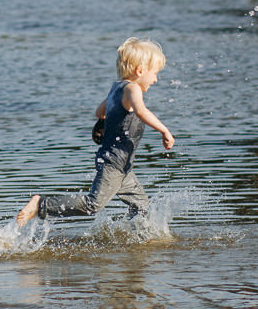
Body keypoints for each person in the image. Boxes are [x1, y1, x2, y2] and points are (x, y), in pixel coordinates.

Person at [16, 37, 174, 226]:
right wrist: (164, 130)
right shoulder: (132, 89)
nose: (156, 79)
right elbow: (141, 111)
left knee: (140, 205)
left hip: (121, 165)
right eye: (155, 73)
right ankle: (41, 204)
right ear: (140, 71)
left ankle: (138, 239)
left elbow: (100, 112)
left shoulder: (116, 88)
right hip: (114, 163)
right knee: (93, 204)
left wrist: (107, 121)